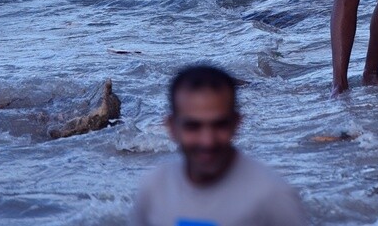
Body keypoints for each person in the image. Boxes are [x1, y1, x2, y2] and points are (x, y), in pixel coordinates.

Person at [129, 64, 308, 226]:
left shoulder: (271, 196)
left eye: (219, 125)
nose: (207, 141)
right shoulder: (154, 189)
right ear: (171, 127)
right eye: (193, 126)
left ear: (236, 123)